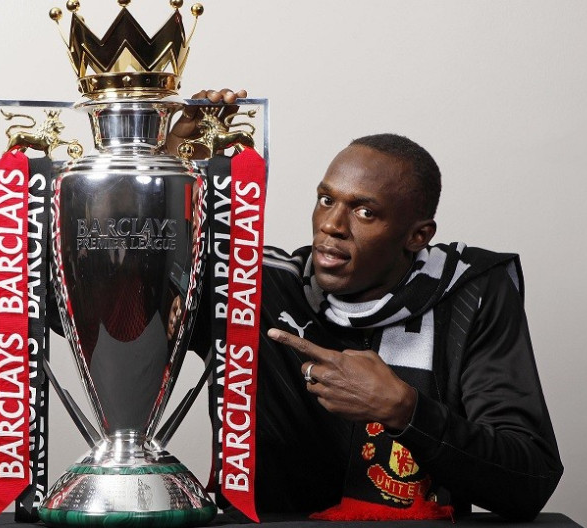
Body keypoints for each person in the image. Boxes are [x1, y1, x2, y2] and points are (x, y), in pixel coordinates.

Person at [174, 89, 564, 522]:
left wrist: (405, 409)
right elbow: (126, 311)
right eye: (326, 200)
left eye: (364, 212)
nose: (331, 226)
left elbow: (530, 480)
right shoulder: (255, 285)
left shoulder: (469, 291)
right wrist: (170, 166)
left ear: (417, 236)